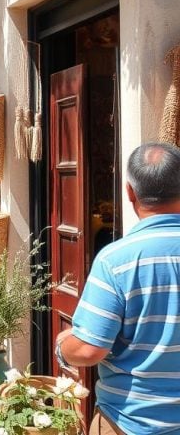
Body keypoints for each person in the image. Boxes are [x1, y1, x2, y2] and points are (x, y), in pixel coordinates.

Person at [55, 143, 180, 435]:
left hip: (130, 423)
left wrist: (63, 346)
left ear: (130, 193)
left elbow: (88, 349)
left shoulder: (116, 260)